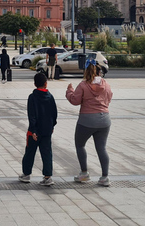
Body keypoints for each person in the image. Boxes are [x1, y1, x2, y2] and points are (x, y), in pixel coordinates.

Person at [66, 59, 113, 187]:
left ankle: (84, 173)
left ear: (86, 71)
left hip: (87, 120)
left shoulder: (83, 85)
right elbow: (109, 97)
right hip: (104, 120)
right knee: (101, 148)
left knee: (80, 145)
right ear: (99, 72)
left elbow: (75, 100)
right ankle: (105, 177)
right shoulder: (106, 84)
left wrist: (69, 91)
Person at [19, 72, 58, 186]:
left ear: (35, 84)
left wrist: (34, 130)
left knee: (30, 152)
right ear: (46, 84)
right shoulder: (50, 97)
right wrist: (52, 126)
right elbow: (54, 114)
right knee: (47, 153)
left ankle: (26, 174)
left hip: (34, 131)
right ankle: (48, 176)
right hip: (47, 130)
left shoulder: (32, 97)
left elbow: (32, 115)